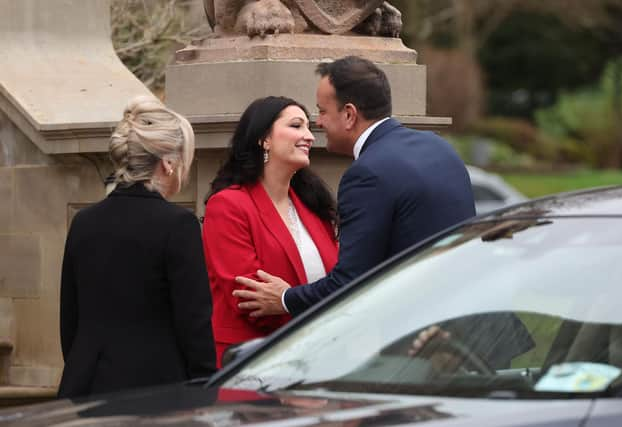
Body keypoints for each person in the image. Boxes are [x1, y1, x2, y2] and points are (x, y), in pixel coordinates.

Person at [234, 56, 476, 317]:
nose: (318, 123)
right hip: (472, 317)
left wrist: (284, 298)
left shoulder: (367, 174)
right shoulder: (438, 146)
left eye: (323, 111)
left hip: (420, 331)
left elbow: (350, 282)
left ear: (349, 115)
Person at [58, 96, 216, 398]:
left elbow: (70, 322)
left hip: (85, 386)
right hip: (156, 390)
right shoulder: (178, 225)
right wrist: (207, 391)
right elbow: (194, 323)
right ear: (168, 164)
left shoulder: (84, 222)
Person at [202, 96, 339, 367]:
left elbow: (336, 282)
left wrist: (289, 300)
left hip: (317, 357)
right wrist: (315, 311)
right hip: (254, 361)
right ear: (264, 138)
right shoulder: (228, 205)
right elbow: (248, 298)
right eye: (297, 126)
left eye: (309, 127)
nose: (309, 136)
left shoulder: (314, 206)